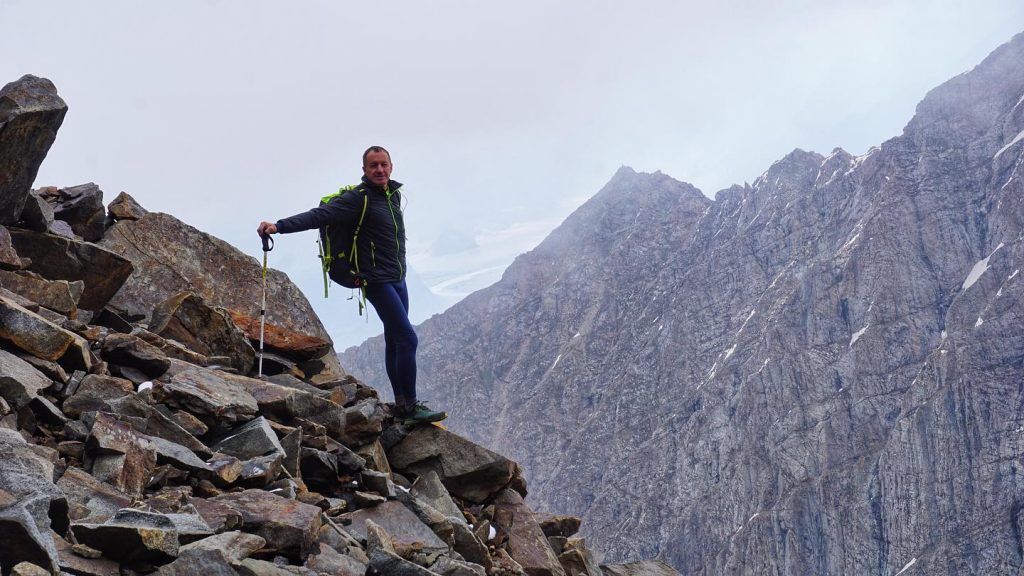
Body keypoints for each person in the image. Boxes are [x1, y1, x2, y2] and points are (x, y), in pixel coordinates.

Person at [257, 146, 446, 425]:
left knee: (395, 337)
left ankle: (403, 405)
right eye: (373, 166)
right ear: (365, 171)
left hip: (397, 277)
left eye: (383, 165)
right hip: (376, 280)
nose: (379, 170)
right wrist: (279, 226)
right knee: (407, 338)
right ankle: (410, 408)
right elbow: (318, 216)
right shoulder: (358, 199)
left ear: (391, 166)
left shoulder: (392, 196)